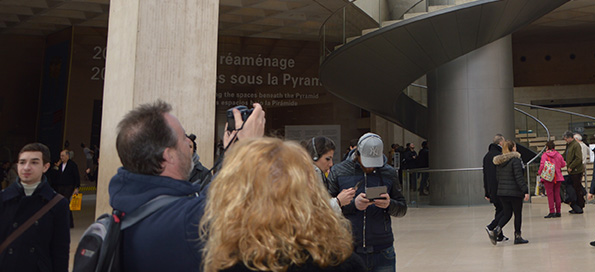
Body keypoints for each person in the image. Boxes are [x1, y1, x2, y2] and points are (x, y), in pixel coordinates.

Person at [106, 101, 265, 272]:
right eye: (184, 138)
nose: (189, 143)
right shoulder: (187, 223)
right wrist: (249, 148)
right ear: (169, 156)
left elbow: (209, 198)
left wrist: (232, 155)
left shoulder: (129, 207)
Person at [200, 137, 364, 272]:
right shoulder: (342, 262)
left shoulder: (224, 263)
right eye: (327, 159)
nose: (330, 164)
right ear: (309, 195)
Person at [326, 133, 407, 271]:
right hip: (349, 249)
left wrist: (389, 205)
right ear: (357, 153)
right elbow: (325, 210)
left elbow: (402, 208)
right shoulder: (338, 171)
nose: (370, 168)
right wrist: (353, 205)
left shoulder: (389, 172)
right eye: (367, 161)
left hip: (383, 250)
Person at [0, 142, 69, 272]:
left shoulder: (58, 203)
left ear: (46, 167)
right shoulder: (3, 199)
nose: (26, 167)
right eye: (22, 162)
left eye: (34, 162)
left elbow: (60, 251)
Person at [488, 139, 529, 245]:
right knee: (517, 214)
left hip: (502, 192)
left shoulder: (500, 162)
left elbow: (498, 177)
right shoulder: (516, 160)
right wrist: (525, 190)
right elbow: (518, 177)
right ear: (513, 148)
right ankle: (517, 236)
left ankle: (497, 230)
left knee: (507, 213)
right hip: (515, 192)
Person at [307, 136, 356, 211]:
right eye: (327, 159)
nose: (331, 164)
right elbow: (314, 211)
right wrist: (338, 201)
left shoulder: (315, 174)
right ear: (315, 157)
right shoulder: (305, 177)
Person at [482, 135, 507, 238]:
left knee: (499, 209)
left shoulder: (486, 156)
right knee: (506, 210)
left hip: (492, 188)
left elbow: (485, 175)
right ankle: (492, 227)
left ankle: (499, 234)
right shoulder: (499, 155)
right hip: (500, 187)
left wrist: (487, 191)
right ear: (500, 143)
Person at [50, 148, 80, 228]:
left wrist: (76, 187)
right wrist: (56, 167)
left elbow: (76, 176)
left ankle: (68, 222)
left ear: (67, 156)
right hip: (60, 186)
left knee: (65, 202)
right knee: (61, 203)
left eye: (63, 156)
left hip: (69, 186)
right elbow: (55, 175)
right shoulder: (60, 165)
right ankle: (65, 221)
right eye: (61, 156)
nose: (62, 157)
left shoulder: (72, 165)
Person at [538, 139, 565, 218]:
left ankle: (552, 211)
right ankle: (558, 211)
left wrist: (540, 173)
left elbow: (542, 165)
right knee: (557, 194)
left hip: (548, 177)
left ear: (547, 147)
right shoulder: (558, 154)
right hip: (558, 177)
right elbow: (563, 164)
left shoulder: (545, 155)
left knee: (550, 195)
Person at [563, 131, 586, 214]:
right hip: (572, 171)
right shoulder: (568, 145)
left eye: (566, 139)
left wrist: (571, 166)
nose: (565, 141)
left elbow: (578, 158)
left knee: (577, 188)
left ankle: (580, 206)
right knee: (573, 189)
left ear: (570, 138)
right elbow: (564, 155)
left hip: (576, 171)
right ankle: (575, 205)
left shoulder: (576, 145)